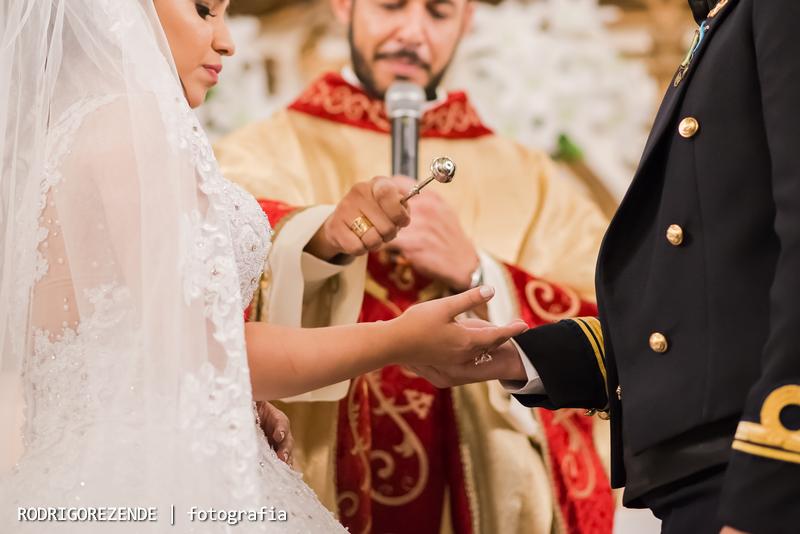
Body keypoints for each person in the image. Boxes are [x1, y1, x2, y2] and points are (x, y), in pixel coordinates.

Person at [0, 1, 525, 532]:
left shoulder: (74, 127)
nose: (228, 41)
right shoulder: (133, 128)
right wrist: (399, 340)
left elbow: (146, 340)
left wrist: (241, 393)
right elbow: (211, 354)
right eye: (205, 10)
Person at [214, 0, 615, 532]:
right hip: (322, 475)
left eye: (439, 13)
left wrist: (480, 271)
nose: (412, 32)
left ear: (468, 21)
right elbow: (208, 276)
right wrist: (322, 238)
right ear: (343, 8)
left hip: (483, 487)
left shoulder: (531, 176)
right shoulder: (267, 149)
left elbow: (608, 310)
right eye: (391, 6)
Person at [411, 0, 800, 532]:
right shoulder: (724, 24)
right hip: (705, 477)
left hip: (751, 474)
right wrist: (513, 356)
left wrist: (768, 493)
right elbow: (701, 313)